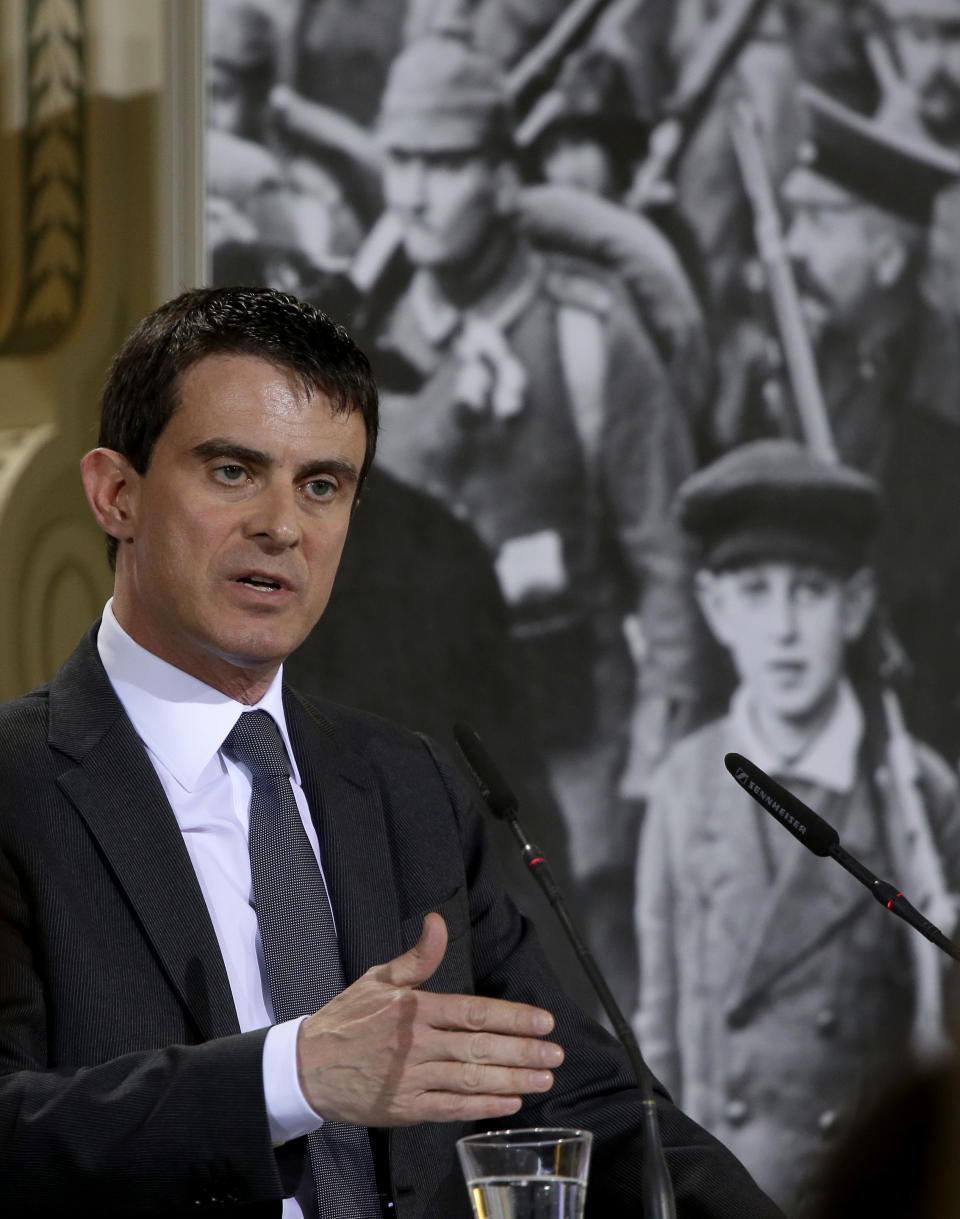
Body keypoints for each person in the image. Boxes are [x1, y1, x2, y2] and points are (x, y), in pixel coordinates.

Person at [0, 286, 783, 1219]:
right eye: (233, 471)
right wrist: (288, 1075)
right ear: (115, 493)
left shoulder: (411, 787)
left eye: (321, 485)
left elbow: (593, 1107)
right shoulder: (20, 784)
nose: (282, 526)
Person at [370, 25, 706, 1011]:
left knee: (597, 1026)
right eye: (401, 161)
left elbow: (669, 563)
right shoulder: (365, 349)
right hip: (416, 763)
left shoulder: (591, 336)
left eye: (447, 163)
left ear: (503, 176)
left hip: (577, 761)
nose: (418, 193)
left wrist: (652, 767)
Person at [634, 438, 960, 1219]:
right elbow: (660, 1023)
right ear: (715, 608)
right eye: (754, 592)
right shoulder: (683, 782)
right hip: (718, 1190)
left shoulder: (917, 794)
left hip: (857, 1191)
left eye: (809, 592)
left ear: (853, 607)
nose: (781, 627)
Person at [780, 80, 960, 762]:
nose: (793, 248)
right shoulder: (797, 351)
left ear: (887, 259)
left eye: (819, 225)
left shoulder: (944, 398)